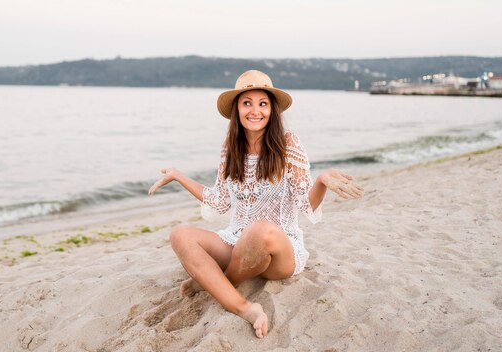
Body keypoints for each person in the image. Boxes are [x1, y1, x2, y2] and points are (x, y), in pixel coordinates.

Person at [148, 70, 363, 338]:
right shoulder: (230, 149)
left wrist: (321, 180)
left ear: (272, 109)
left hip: (278, 249)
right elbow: (220, 201)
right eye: (247, 102)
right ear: (237, 109)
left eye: (263, 103)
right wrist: (179, 176)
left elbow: (304, 202)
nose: (255, 110)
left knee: (260, 229)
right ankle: (246, 307)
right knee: (180, 235)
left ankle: (218, 283)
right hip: (238, 243)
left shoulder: (288, 143)